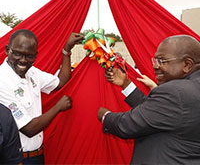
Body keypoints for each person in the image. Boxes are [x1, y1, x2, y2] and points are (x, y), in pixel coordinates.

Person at [98, 35, 200, 165]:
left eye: (162, 61)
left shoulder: (175, 92)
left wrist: (105, 116)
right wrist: (126, 84)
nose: (155, 66)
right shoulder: (187, 91)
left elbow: (127, 125)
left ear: (187, 64)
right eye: (155, 60)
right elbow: (157, 113)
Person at [0, 29, 84, 164]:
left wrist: (66, 50)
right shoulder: (2, 81)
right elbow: (29, 129)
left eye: (29, 56)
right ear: (7, 50)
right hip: (17, 160)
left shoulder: (32, 72)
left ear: (35, 55)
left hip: (37, 156)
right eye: (18, 54)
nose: (23, 60)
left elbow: (61, 81)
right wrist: (58, 107)